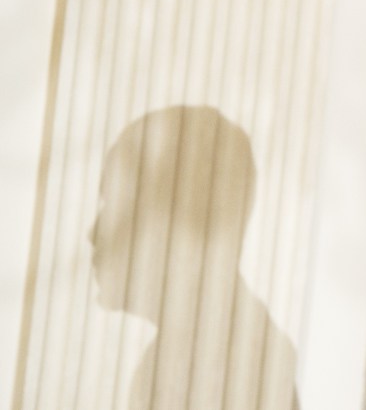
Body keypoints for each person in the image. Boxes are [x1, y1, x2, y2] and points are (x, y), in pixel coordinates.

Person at [90, 106, 299, 409]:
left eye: (116, 204)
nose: (94, 232)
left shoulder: (247, 371)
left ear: (181, 229)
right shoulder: (163, 366)